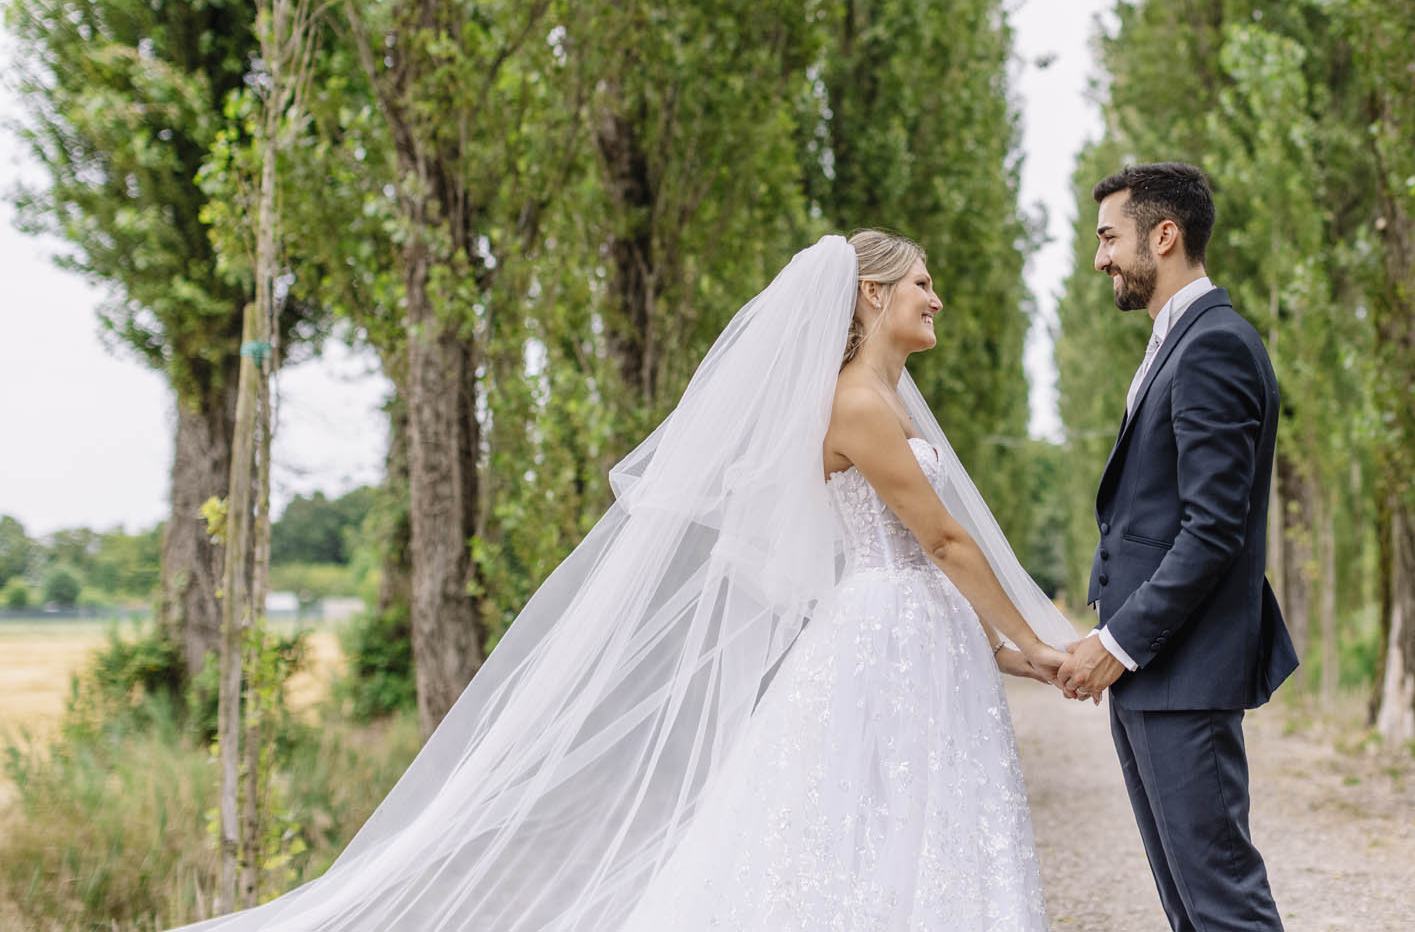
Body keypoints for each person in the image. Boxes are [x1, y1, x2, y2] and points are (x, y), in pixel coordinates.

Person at [176, 231, 1076, 931]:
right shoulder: (855, 403)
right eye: (923, 282)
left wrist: (1003, 650)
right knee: (870, 826)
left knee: (903, 821)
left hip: (907, 633)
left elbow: (918, 561)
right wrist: (1035, 639)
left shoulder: (873, 400)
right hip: (888, 637)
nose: (939, 298)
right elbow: (945, 542)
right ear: (873, 294)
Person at [1057, 161, 1298, 932]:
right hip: (1156, 677)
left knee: (1223, 906)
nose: (1100, 259)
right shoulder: (1177, 341)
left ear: (1165, 236)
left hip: (1181, 675)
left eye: (1108, 237)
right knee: (1191, 908)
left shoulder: (1213, 346)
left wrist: (1118, 644)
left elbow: (1212, 531)